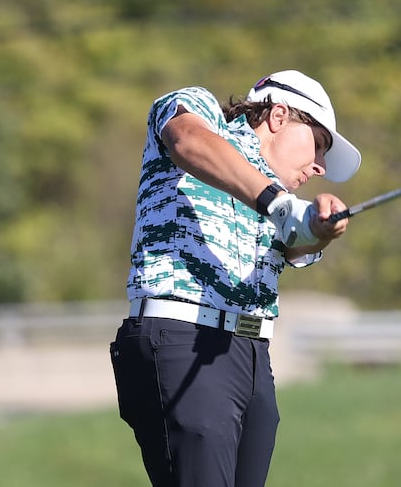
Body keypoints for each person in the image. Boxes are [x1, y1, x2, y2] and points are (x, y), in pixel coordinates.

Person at [110, 70, 361, 487]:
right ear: (279, 116)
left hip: (250, 356)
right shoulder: (202, 112)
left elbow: (294, 244)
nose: (319, 165)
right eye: (317, 143)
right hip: (181, 338)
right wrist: (278, 203)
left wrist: (319, 231)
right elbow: (187, 140)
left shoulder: (277, 198)